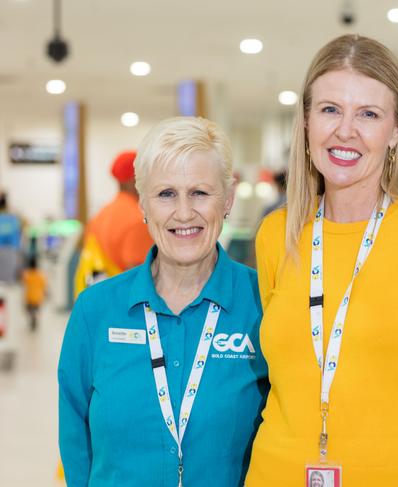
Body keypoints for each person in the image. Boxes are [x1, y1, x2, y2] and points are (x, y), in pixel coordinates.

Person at [246, 34, 398, 487]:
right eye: (330, 109)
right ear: (306, 121)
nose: (345, 131)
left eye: (369, 115)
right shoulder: (277, 234)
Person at [59, 117, 269, 486]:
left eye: (200, 192)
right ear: (143, 204)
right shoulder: (95, 310)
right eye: (166, 194)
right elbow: (76, 440)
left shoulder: (263, 302)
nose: (184, 212)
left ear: (229, 199)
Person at [74, 150, 153, 295]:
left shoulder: (99, 216)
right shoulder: (137, 219)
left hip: (101, 299)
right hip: (124, 305)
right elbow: (139, 276)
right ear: (134, 178)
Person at [22, 253, 46, 331]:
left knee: (28, 309)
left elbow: (24, 282)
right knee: (36, 309)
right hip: (38, 298)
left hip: (29, 297)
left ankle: (32, 317)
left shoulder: (27, 274)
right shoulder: (40, 275)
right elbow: (44, 285)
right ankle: (35, 317)